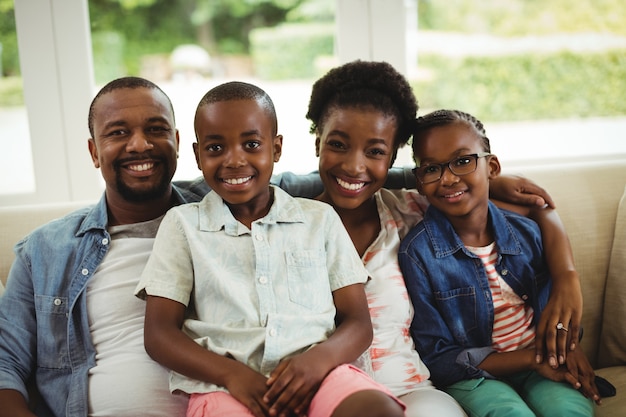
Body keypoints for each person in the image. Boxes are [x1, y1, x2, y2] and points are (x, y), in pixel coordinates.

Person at [0, 75, 553, 417]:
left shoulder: (282, 203)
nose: (139, 144)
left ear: (175, 146)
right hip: (215, 392)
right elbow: (5, 364)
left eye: (154, 129)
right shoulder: (46, 251)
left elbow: (357, 174)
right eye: (117, 132)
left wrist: (468, 178)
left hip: (315, 386)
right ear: (94, 151)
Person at [306, 60, 585, 417]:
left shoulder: (407, 210)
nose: (354, 166)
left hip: (412, 388)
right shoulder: (288, 221)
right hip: (334, 394)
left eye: (375, 152)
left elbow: (532, 207)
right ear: (318, 143)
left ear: (391, 159)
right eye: (338, 145)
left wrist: (565, 275)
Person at [134, 81, 406, 417]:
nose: (234, 160)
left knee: (377, 410)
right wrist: (231, 374)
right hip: (224, 388)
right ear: (197, 154)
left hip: (322, 375)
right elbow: (159, 334)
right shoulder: (182, 226)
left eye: (251, 144)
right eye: (216, 148)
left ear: (276, 149)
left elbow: (358, 323)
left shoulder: (319, 219)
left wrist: (316, 362)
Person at [398, 109, 600, 417]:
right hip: (475, 377)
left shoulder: (527, 231)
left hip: (542, 362)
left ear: (491, 167)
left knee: (568, 410)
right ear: (419, 180)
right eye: (431, 169)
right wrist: (533, 359)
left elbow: (556, 311)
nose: (448, 178)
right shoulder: (418, 253)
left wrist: (564, 349)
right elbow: (438, 355)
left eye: (463, 161)